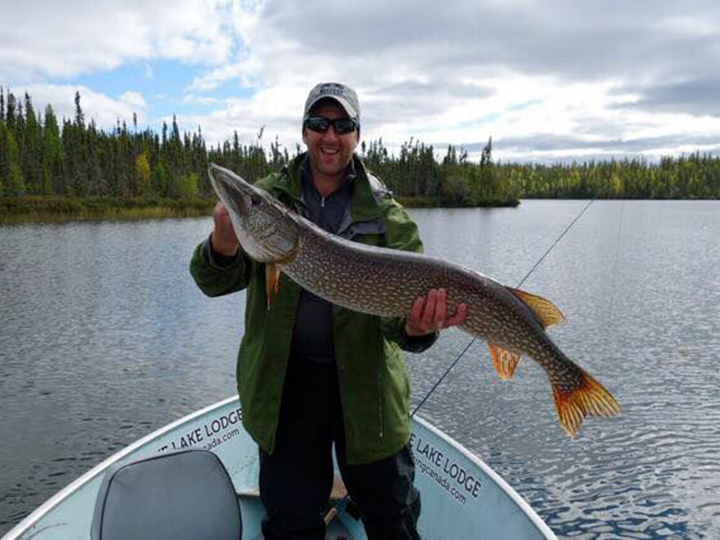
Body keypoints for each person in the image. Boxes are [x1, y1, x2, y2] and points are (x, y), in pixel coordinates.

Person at [190, 82, 467, 540]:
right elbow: (212, 281)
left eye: (342, 125)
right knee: (292, 522)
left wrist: (417, 328)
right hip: (286, 388)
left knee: (391, 517)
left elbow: (407, 329)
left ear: (357, 135)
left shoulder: (387, 214)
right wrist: (221, 247)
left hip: (367, 390)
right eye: (319, 124)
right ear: (304, 132)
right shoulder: (267, 199)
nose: (330, 135)